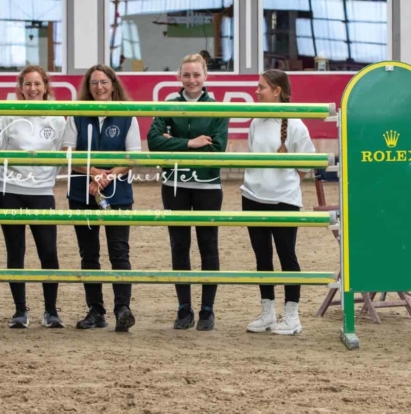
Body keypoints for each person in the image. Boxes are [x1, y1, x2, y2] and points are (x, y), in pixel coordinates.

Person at [147, 53, 229, 331]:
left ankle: (207, 309)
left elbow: (217, 149)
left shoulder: (217, 108)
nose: (191, 80)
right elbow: (154, 142)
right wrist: (191, 143)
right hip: (174, 185)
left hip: (207, 185)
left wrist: (175, 142)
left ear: (206, 76)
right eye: (186, 75)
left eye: (196, 75)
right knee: (179, 246)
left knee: (208, 246)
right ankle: (184, 308)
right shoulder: (168, 104)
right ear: (178, 77)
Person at [62, 64, 141, 333]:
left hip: (117, 193)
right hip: (81, 192)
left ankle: (123, 309)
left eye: (104, 82)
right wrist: (94, 172)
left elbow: (132, 157)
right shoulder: (77, 114)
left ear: (113, 83)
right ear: (88, 86)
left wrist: (106, 177)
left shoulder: (127, 115)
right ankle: (96, 310)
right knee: (89, 254)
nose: (99, 87)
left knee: (119, 253)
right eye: (94, 83)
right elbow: (68, 154)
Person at [242, 69, 315, 335]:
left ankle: (292, 315)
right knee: (262, 257)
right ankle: (268, 313)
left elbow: (305, 166)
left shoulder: (295, 124)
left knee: (287, 256)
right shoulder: (255, 122)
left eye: (261, 87)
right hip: (251, 197)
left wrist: (279, 181)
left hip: (284, 201)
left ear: (277, 91)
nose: (256, 91)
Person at [0, 66, 66, 329]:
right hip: (10, 191)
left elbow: (60, 154)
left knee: (48, 252)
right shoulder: (10, 115)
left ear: (46, 87)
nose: (33, 89)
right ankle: (20, 311)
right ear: (21, 88)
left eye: (38, 84)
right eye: (28, 84)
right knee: (16, 252)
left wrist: (44, 179)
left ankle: (51, 311)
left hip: (41, 193)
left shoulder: (57, 118)